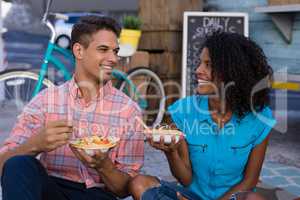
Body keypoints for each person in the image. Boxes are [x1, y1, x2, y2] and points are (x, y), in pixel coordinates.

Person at [0, 15, 144, 200]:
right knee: (18, 164)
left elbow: (124, 190)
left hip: (97, 193)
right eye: (103, 50)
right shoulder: (46, 100)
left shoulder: (128, 110)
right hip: (51, 189)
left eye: (115, 51)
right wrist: (34, 145)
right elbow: (3, 165)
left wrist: (103, 165)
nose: (113, 59)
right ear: (79, 51)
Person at [128, 32, 276, 200]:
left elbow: (250, 180)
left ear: (234, 71)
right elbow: (186, 179)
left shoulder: (260, 118)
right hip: (191, 196)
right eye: (200, 63)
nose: (198, 70)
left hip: (233, 198)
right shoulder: (183, 111)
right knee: (139, 183)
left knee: (254, 199)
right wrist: (171, 152)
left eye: (208, 64)